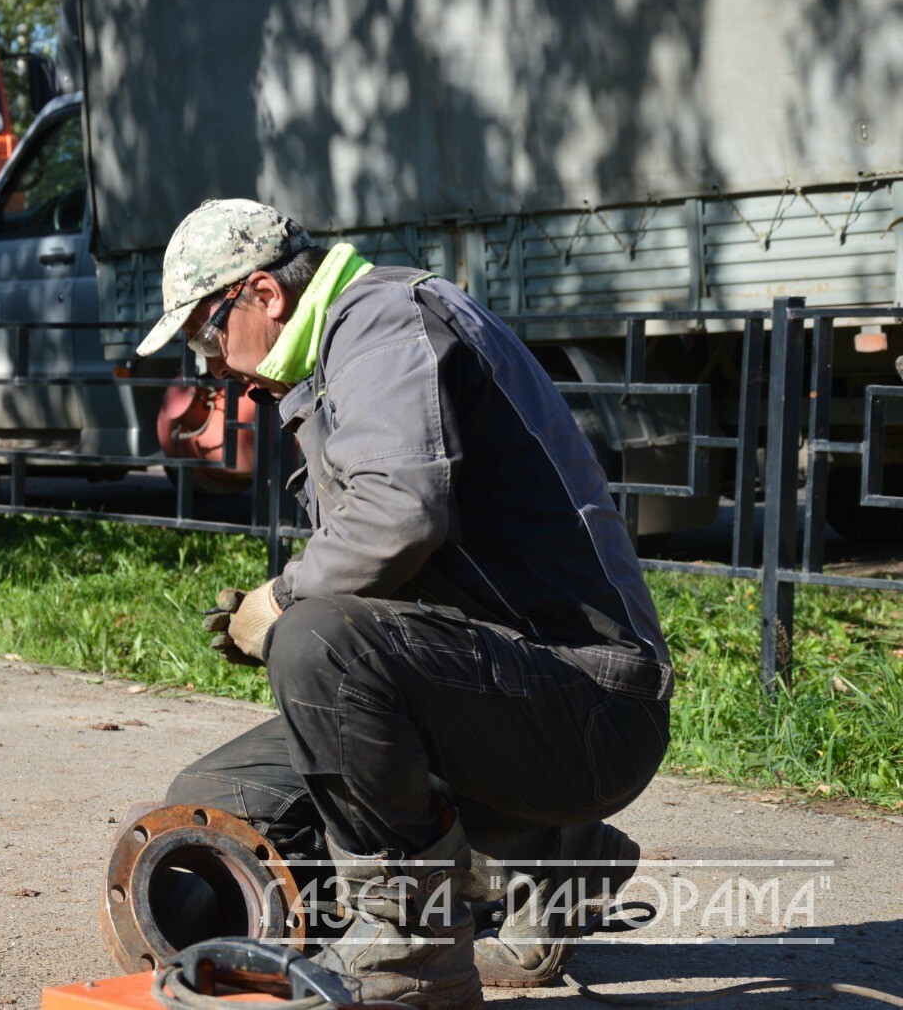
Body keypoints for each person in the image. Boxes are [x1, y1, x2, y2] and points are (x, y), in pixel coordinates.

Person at [135, 200, 671, 1008]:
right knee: (219, 799)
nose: (211, 365)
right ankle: (542, 858)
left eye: (205, 334)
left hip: (590, 703)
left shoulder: (382, 324)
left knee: (316, 641)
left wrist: (280, 598)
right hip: (502, 694)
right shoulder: (336, 359)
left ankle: (414, 962)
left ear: (263, 295)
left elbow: (399, 514)